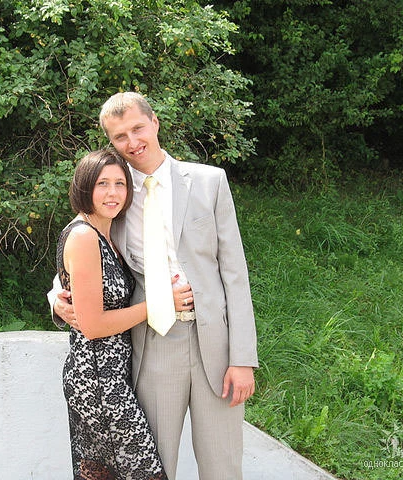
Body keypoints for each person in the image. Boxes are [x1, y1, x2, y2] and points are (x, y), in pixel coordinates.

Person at [52, 92, 258, 480]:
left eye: (137, 128)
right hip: (154, 344)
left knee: (224, 466)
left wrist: (242, 358)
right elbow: (83, 249)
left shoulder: (209, 181)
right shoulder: (114, 193)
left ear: (155, 123)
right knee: (155, 468)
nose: (132, 142)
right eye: (119, 136)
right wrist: (55, 298)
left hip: (216, 345)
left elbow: (235, 273)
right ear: (111, 142)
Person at [56, 148, 193, 480]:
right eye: (102, 184)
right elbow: (93, 326)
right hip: (98, 383)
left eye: (120, 184)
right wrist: (161, 303)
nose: (113, 193)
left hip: (110, 379)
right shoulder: (84, 236)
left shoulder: (106, 233)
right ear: (84, 186)